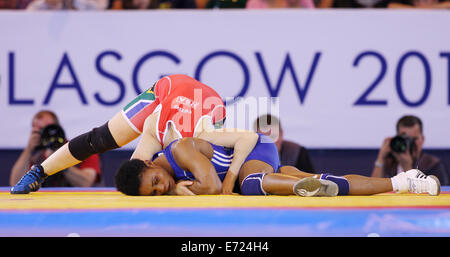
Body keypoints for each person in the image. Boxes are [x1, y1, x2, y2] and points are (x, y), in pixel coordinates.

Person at [11, 74, 257, 195]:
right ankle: (39, 171)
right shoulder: (153, 127)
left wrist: (230, 177)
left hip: (205, 104)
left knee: (207, 166)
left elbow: (245, 140)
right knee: (100, 138)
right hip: (165, 92)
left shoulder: (203, 135)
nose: (162, 188)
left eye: (156, 186)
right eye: (158, 187)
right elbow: (133, 175)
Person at [115, 134, 441, 197]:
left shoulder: (179, 149)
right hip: (253, 169)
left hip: (254, 149)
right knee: (335, 183)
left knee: (252, 185)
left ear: (148, 163)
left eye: (155, 181)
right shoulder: (168, 174)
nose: (163, 188)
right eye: (156, 194)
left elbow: (214, 187)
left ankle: (301, 188)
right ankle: (406, 182)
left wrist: (179, 195)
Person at [10, 110, 102, 188]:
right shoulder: (36, 157)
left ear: (58, 128)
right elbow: (16, 184)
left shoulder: (83, 149)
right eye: (40, 130)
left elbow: (85, 183)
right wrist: (29, 149)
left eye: (48, 128)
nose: (48, 133)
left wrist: (57, 160)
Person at [371, 115, 449, 186]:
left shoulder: (433, 165)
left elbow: (437, 196)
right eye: (405, 139)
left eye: (414, 139)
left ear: (422, 139)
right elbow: (374, 187)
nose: (410, 144)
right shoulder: (391, 161)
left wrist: (407, 167)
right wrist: (381, 158)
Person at [26, 0, 108, 10]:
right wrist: (48, 3)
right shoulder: (39, 5)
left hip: (87, 32)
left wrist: (74, 1)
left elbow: (102, 7)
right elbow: (29, 12)